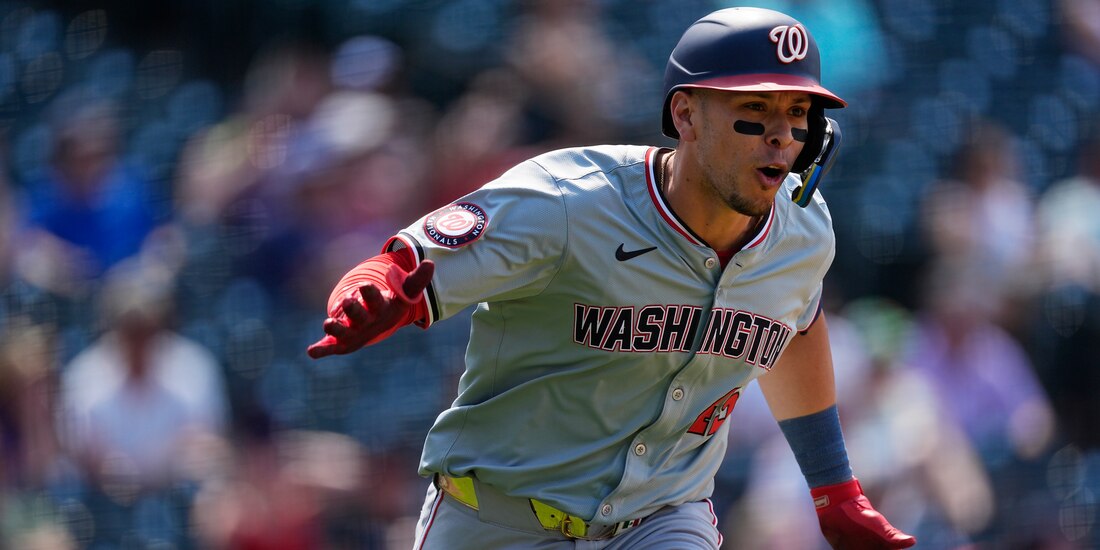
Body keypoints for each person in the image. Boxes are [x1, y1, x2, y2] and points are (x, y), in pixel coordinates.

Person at [307, 7, 915, 549]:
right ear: (686, 114)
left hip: (662, 520)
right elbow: (406, 263)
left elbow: (793, 325)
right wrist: (374, 287)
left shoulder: (803, 233)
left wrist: (835, 489)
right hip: (498, 517)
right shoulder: (571, 201)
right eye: (754, 109)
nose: (782, 135)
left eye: (798, 112)